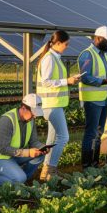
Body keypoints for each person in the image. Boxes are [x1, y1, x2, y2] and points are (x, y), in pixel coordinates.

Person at [36, 30, 82, 181]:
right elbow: (46, 82)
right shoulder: (49, 59)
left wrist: (69, 80)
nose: (67, 47)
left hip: (54, 104)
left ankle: (45, 172)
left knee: (52, 139)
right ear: (57, 43)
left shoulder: (54, 58)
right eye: (66, 44)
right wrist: (66, 81)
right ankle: (51, 169)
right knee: (63, 137)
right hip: (51, 104)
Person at [77, 26, 107, 169]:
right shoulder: (87, 54)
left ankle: (95, 163)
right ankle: (86, 165)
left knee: (98, 133)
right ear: (98, 38)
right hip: (92, 101)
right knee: (91, 133)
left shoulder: (102, 55)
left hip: (103, 100)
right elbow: (85, 78)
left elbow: (102, 76)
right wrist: (106, 81)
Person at [0, 93, 47, 189]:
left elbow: (34, 142)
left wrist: (42, 147)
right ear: (24, 108)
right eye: (33, 113)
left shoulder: (30, 120)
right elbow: (4, 149)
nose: (35, 116)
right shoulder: (7, 120)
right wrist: (28, 152)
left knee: (40, 155)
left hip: (12, 156)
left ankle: (21, 179)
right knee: (19, 178)